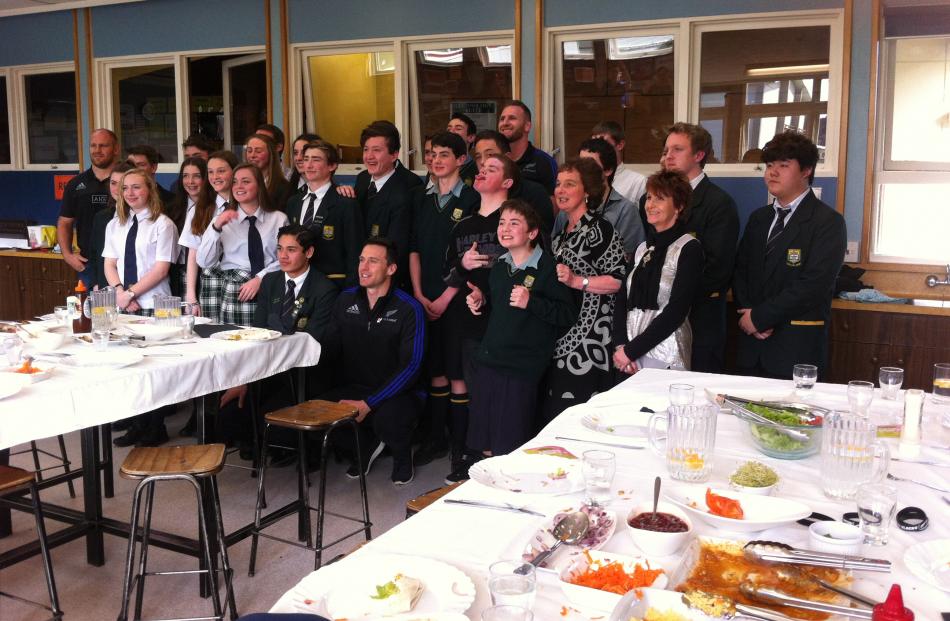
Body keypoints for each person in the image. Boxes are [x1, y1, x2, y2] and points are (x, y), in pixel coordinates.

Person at [465, 200, 577, 456]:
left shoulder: (548, 268)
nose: (504, 228)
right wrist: (481, 299)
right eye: (502, 222)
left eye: (514, 223)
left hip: (521, 367)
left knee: (510, 443)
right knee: (485, 441)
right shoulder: (500, 267)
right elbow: (501, 308)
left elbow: (567, 314)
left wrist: (532, 302)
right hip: (490, 359)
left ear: (532, 233)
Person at [733, 131, 846, 379]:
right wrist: (749, 317)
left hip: (794, 348)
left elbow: (814, 284)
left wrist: (761, 317)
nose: (772, 172)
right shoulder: (759, 219)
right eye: (769, 165)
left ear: (806, 171)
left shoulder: (827, 222)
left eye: (783, 165)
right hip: (751, 345)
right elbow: (741, 271)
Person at [319, 238, 425, 485]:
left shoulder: (409, 308)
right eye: (361, 260)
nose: (363, 267)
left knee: (389, 420)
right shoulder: (345, 299)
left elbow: (412, 366)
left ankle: (401, 456)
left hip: (400, 392)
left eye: (373, 261)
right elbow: (329, 347)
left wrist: (370, 402)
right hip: (356, 385)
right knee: (317, 410)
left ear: (391, 269)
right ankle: (364, 449)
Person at [440, 153, 519, 482]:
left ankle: (500, 457)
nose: (482, 172)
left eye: (492, 169)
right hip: (468, 319)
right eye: (481, 169)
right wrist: (463, 267)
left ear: (508, 182)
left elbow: (529, 269)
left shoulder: (515, 220)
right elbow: (449, 275)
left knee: (500, 392)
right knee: (471, 389)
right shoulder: (463, 224)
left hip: (505, 320)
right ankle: (469, 455)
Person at [409, 131, 479, 467]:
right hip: (426, 298)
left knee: (456, 373)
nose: (436, 160)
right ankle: (435, 439)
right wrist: (420, 294)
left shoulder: (472, 200)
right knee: (434, 371)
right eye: (432, 154)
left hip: (458, 299)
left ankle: (461, 447)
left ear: (461, 160)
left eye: (444, 155)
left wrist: (446, 296)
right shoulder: (422, 200)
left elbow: (475, 256)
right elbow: (414, 250)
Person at [650, 122, 740, 373]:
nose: (668, 155)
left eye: (677, 149)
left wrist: (673, 298)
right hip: (656, 318)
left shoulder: (718, 203)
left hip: (699, 316)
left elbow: (717, 269)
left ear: (699, 155)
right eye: (666, 149)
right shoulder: (651, 202)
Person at [543, 159, 626, 421]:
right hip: (560, 337)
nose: (561, 190)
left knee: (582, 414)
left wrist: (578, 281)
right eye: (558, 184)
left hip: (590, 342)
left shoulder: (599, 229)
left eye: (570, 184)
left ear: (587, 190)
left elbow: (619, 280)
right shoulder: (559, 235)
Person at [103, 168, 178, 446]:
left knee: (154, 368)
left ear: (150, 190)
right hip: (126, 302)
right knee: (130, 367)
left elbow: (161, 270)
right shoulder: (116, 225)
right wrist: (121, 293)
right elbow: (109, 264)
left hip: (156, 304)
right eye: (126, 188)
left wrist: (131, 292)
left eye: (137, 187)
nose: (131, 193)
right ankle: (137, 424)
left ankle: (155, 427)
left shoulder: (163, 224)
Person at [612, 171, 703, 376]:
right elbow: (621, 299)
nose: (650, 205)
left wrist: (631, 351)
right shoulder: (641, 248)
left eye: (659, 199)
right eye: (649, 197)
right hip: (628, 352)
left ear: (679, 207)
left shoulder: (688, 248)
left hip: (666, 350)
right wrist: (620, 346)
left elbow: (677, 310)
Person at [197, 163, 289, 324]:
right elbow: (204, 261)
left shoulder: (278, 219)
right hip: (236, 291)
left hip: (270, 286)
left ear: (259, 185)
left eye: (246, 181)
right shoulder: (221, 220)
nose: (238, 186)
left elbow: (285, 258)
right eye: (235, 182)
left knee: (270, 341)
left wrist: (260, 279)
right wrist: (216, 228)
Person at [345, 121, 422, 286]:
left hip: (388, 277)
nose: (369, 156)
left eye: (377, 150)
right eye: (366, 149)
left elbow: (399, 246)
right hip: (361, 270)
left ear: (394, 155)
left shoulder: (410, 186)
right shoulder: (362, 178)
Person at [285, 140, 363, 288]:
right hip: (299, 285)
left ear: (332, 166)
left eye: (316, 160)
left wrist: (351, 292)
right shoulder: (293, 202)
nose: (308, 165)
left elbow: (355, 253)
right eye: (306, 159)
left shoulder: (345, 203)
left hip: (333, 286)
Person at [553, 137, 644, 258]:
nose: (581, 170)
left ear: (608, 170)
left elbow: (631, 258)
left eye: (589, 164)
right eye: (579, 164)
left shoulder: (625, 210)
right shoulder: (567, 208)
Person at [57, 128, 119, 287]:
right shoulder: (75, 184)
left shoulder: (126, 183)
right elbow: (65, 222)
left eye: (103, 146)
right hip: (88, 264)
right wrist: (67, 255)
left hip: (121, 261)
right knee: (92, 310)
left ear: (116, 149)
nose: (97, 150)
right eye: (93, 146)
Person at [470, 130, 554, 241]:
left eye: (490, 154)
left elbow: (543, 239)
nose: (482, 161)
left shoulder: (534, 193)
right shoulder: (472, 196)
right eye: (478, 156)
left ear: (508, 157)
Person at [183, 150, 237, 320]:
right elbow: (193, 254)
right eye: (211, 172)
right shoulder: (200, 209)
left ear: (234, 171)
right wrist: (191, 295)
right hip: (209, 282)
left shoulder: (246, 205)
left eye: (221, 171)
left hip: (239, 284)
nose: (215, 176)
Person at [164, 158, 209, 297]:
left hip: (205, 275)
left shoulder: (214, 208)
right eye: (185, 176)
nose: (190, 182)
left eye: (197, 176)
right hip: (177, 274)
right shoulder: (172, 209)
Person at [497, 100, 558, 195]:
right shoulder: (494, 161)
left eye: (512, 118)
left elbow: (552, 206)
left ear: (527, 126)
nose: (505, 123)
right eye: (502, 119)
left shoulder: (543, 161)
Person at [90, 162, 134, 290]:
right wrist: (95, 284)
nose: (116, 189)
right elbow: (94, 255)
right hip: (106, 290)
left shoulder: (144, 218)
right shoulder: (101, 218)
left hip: (136, 290)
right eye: (113, 183)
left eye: (122, 184)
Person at [591, 120, 647, 204]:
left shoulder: (638, 182)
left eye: (603, 143)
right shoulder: (588, 180)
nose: (597, 148)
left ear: (620, 145)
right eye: (594, 143)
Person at [244, 133, 292, 211]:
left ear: (271, 154)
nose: (252, 155)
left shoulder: (284, 188)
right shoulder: (238, 184)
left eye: (258, 151)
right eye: (249, 151)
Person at [447, 112, 478, 186]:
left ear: (471, 137)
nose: (451, 132)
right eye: (449, 129)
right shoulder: (439, 166)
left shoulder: (477, 170)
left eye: (458, 128)